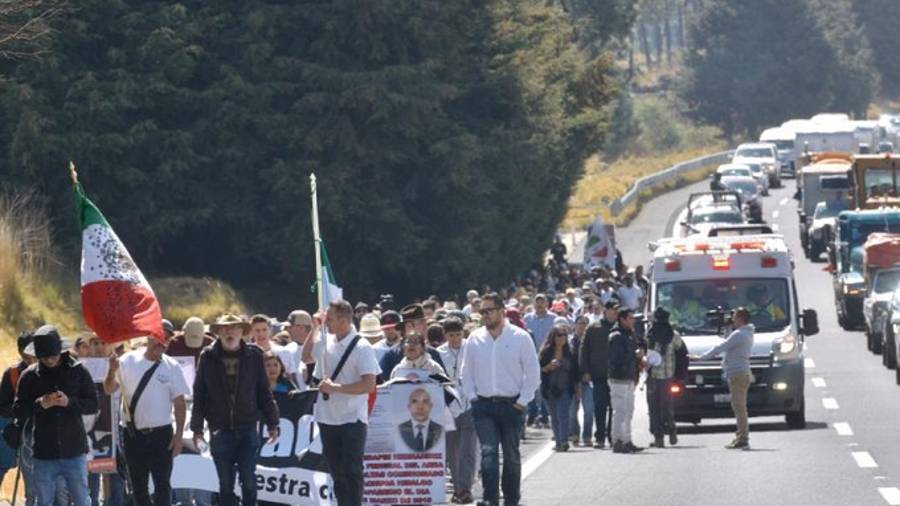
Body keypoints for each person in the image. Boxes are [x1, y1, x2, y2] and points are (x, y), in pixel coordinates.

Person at [459, 292, 540, 506]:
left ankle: (512, 498)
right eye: (482, 311)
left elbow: (533, 373)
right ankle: (490, 498)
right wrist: (473, 398)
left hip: (512, 405)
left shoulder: (520, 337)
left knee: (511, 456)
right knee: (488, 453)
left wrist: (523, 401)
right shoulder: (474, 339)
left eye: (489, 311)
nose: (485, 315)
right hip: (483, 406)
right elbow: (465, 374)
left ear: (501, 311)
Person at [191, 314, 280, 506]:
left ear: (242, 332)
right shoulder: (207, 356)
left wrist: (273, 422)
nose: (230, 332)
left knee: (248, 481)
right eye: (225, 329)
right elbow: (199, 394)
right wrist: (197, 430)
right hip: (220, 429)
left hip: (248, 428)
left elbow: (263, 391)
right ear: (218, 332)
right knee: (225, 485)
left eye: (235, 328)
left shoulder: (255, 355)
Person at [302, 300, 380, 506]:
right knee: (336, 471)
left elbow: (369, 384)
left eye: (331, 318)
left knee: (351, 470)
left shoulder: (362, 347)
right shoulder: (327, 341)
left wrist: (337, 388)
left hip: (352, 417)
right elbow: (306, 356)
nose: (327, 322)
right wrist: (315, 327)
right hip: (328, 417)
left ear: (345, 320)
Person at [14, 325, 98, 506]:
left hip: (74, 451)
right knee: (43, 501)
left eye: (53, 355)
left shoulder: (79, 371)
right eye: (44, 357)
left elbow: (93, 405)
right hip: (44, 452)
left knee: (82, 500)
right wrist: (40, 404)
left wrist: (70, 403)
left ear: (61, 351)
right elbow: (18, 410)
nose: (50, 360)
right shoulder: (29, 376)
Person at [103, 337, 188, 506]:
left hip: (162, 434)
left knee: (162, 484)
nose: (161, 343)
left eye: (166, 339)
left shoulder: (172, 366)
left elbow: (180, 403)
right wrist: (111, 371)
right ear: (149, 338)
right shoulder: (128, 360)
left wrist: (179, 436)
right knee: (138, 486)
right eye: (158, 338)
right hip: (133, 434)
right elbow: (108, 388)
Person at [691, 308, 755, 450]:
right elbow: (728, 342)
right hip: (739, 373)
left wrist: (700, 358)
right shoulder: (746, 332)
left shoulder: (739, 334)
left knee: (740, 408)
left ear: (740, 318)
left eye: (734, 317)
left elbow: (721, 347)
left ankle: (743, 438)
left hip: (738, 374)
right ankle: (741, 436)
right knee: (739, 407)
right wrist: (728, 329)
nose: (732, 319)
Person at [437, 317, 477, 505]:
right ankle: (458, 485)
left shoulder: (472, 347)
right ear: (445, 335)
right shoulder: (438, 353)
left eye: (458, 335)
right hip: (448, 405)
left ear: (463, 333)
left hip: (469, 402)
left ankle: (465, 488)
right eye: (451, 335)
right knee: (452, 449)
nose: (455, 339)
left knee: (467, 448)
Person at [645, 307, 688, 448]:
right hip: (669, 376)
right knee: (667, 406)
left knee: (654, 408)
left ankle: (659, 438)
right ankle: (672, 430)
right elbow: (683, 354)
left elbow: (645, 353)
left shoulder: (650, 334)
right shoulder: (674, 335)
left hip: (653, 376)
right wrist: (680, 375)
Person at [0, 332, 36, 503]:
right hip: (17, 432)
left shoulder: (50, 371)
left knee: (35, 485)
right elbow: (3, 407)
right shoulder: (12, 374)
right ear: (20, 351)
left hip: (41, 433)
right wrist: (20, 407)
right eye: (25, 355)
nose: (29, 359)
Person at [579, 301, 617, 449]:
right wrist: (585, 370)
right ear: (605, 311)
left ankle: (613, 436)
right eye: (613, 310)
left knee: (615, 407)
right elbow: (584, 349)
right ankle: (600, 436)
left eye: (616, 310)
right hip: (598, 374)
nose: (615, 313)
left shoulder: (620, 327)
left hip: (616, 375)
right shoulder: (594, 327)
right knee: (600, 406)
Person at [607, 309, 644, 454]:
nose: (632, 320)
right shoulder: (615, 336)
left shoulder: (631, 334)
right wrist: (634, 355)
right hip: (618, 378)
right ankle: (617, 440)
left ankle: (627, 440)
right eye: (629, 318)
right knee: (620, 411)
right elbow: (616, 359)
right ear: (622, 319)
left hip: (629, 378)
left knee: (629, 411)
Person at [378, 304, 444, 383]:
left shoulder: (433, 354)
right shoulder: (391, 356)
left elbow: (445, 386)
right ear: (404, 329)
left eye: (421, 323)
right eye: (410, 325)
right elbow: (382, 386)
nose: (416, 329)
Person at [539, 326, 579, 452]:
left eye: (564, 335)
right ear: (553, 337)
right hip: (549, 388)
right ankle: (558, 441)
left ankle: (564, 441)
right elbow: (539, 370)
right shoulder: (545, 353)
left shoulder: (571, 352)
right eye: (559, 335)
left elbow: (576, 372)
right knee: (554, 417)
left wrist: (578, 387)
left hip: (565, 388)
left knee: (563, 415)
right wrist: (547, 367)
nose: (563, 338)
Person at [523, 294, 555, 428]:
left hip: (547, 357)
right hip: (531, 356)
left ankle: (544, 414)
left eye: (542, 303)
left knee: (545, 386)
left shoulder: (553, 318)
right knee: (532, 385)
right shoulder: (528, 318)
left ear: (547, 304)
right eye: (538, 303)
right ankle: (533, 412)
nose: (540, 305)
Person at [568, 316, 594, 447]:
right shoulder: (569, 342)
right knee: (572, 411)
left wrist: (589, 373)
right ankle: (574, 434)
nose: (582, 326)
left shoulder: (592, 341)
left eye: (585, 324)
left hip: (587, 380)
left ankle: (587, 436)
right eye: (580, 323)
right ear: (575, 325)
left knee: (589, 410)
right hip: (572, 381)